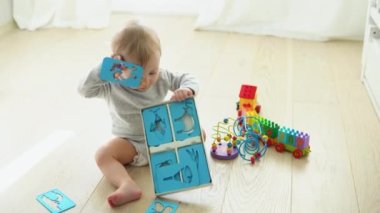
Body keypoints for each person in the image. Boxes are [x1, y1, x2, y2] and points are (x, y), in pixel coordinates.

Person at [78, 21, 200, 208]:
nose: (146, 81)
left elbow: (188, 78)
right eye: (138, 74)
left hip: (162, 138)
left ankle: (177, 166)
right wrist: (107, 68)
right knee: (103, 154)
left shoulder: (161, 77)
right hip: (130, 144)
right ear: (118, 65)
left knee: (200, 132)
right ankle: (126, 184)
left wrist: (186, 88)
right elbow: (84, 90)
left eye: (152, 72)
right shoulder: (111, 84)